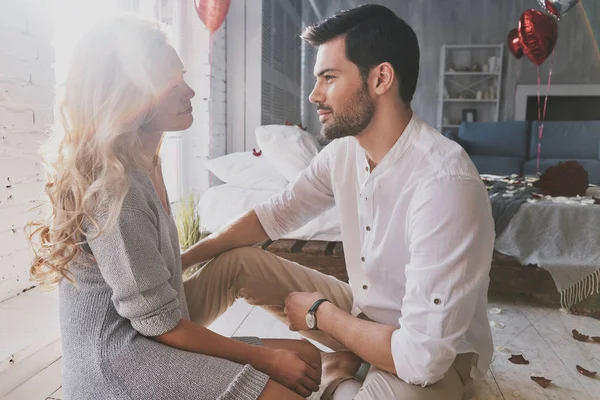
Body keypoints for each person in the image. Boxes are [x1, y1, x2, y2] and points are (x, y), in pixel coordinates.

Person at [181, 4, 495, 400]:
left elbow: (422, 358)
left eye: (329, 78)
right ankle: (155, 335)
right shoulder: (342, 154)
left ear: (381, 78)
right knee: (238, 261)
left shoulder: (444, 182)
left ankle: (339, 373)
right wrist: (182, 261)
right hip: (362, 312)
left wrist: (320, 313)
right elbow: (270, 217)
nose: (314, 95)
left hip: (431, 353)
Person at [27, 15, 322, 400]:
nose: (190, 91)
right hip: (118, 363)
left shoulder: (148, 162)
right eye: (171, 86)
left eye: (182, 76)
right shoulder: (117, 188)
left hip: (149, 334)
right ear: (132, 99)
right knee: (286, 385)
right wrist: (262, 361)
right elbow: (158, 323)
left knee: (308, 356)